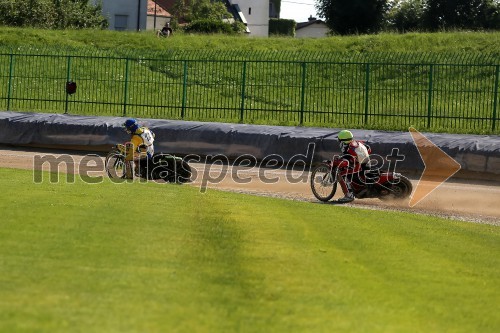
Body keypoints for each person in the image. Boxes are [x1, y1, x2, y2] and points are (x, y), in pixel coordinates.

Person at [335, 129, 371, 203]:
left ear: (342, 141)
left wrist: (339, 161)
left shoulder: (348, 149)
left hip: (360, 168)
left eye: (339, 140)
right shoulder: (357, 143)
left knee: (342, 174)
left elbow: (349, 160)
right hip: (367, 164)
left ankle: (349, 195)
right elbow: (369, 149)